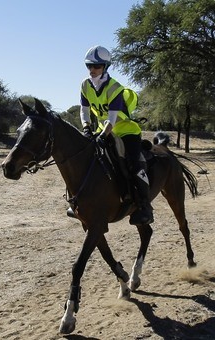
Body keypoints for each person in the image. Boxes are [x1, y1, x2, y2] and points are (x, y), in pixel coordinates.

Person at [78, 45, 153, 225]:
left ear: (105, 66)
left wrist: (103, 135)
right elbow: (84, 110)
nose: (92, 70)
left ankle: (144, 207)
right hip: (102, 131)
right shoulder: (85, 85)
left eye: (96, 66)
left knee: (135, 165)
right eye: (89, 66)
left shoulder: (115, 88)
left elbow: (112, 119)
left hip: (126, 131)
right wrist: (86, 127)